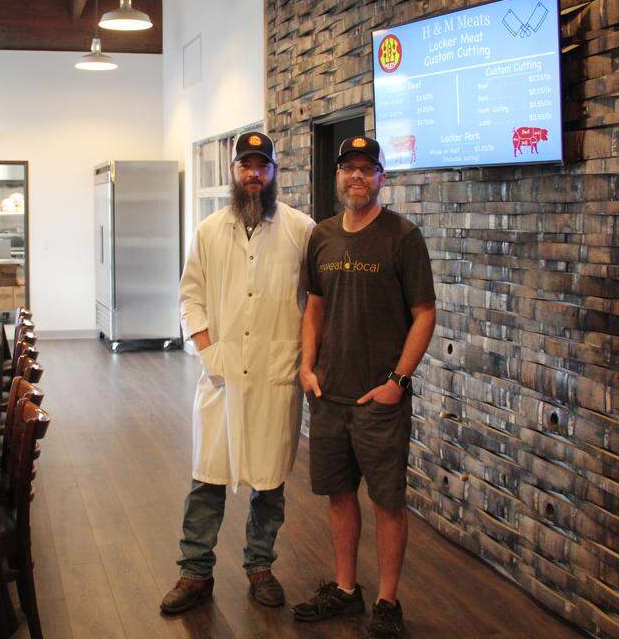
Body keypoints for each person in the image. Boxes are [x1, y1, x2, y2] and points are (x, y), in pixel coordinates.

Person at [161, 131, 315, 614]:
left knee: (269, 483)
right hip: (222, 376)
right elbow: (190, 295)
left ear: (273, 172)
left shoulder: (301, 230)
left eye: (262, 166)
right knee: (207, 478)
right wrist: (208, 349)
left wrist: (305, 360)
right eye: (245, 166)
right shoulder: (208, 231)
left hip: (274, 376)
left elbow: (314, 303)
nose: (254, 174)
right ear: (233, 171)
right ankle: (195, 573)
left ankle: (260, 566)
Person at [291, 136, 437, 639]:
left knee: (388, 502)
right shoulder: (323, 237)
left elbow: (425, 315)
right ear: (338, 177)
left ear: (381, 177)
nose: (357, 177)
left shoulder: (402, 236)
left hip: (380, 399)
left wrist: (398, 381)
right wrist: (307, 366)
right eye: (348, 169)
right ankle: (346, 589)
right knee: (338, 495)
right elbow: (314, 305)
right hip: (329, 394)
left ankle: (387, 602)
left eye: (366, 169)